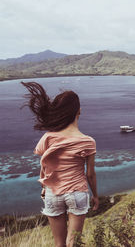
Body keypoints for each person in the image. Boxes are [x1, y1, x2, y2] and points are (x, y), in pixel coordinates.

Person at [21, 81, 99, 247]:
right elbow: (90, 174)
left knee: (59, 244)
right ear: (78, 111)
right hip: (77, 193)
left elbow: (45, 166)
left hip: (52, 193)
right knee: (73, 243)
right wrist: (96, 196)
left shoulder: (48, 137)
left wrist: (44, 187)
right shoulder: (88, 141)